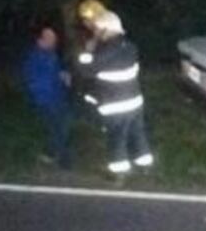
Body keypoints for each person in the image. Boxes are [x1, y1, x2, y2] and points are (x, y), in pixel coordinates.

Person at [77, 11, 153, 183]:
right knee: (138, 134)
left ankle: (119, 174)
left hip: (115, 105)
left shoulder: (105, 51)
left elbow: (85, 70)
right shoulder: (130, 46)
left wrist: (88, 51)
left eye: (97, 29)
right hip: (135, 102)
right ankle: (145, 167)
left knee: (116, 138)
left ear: (105, 29)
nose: (95, 32)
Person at [21, 25, 73, 169]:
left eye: (54, 38)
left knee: (59, 127)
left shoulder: (51, 55)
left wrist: (63, 76)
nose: (53, 41)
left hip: (57, 97)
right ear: (40, 40)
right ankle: (63, 160)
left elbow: (56, 72)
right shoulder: (35, 57)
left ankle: (51, 154)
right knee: (60, 127)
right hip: (47, 99)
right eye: (48, 38)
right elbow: (37, 80)